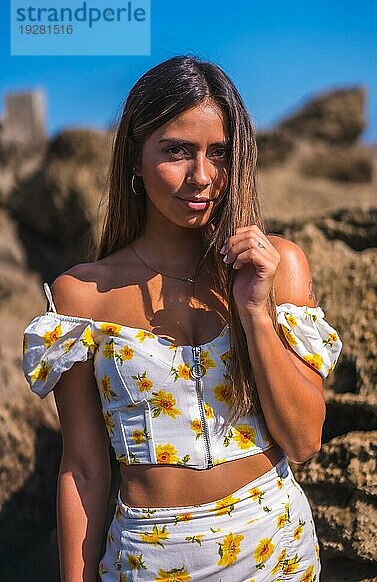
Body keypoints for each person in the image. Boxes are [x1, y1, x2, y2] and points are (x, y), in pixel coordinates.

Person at [22, 55, 342, 582]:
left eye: (219, 153)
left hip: (277, 552)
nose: (201, 177)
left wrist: (255, 310)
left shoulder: (276, 266)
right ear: (134, 157)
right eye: (176, 151)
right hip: (149, 561)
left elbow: (304, 441)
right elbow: (82, 467)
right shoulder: (81, 296)